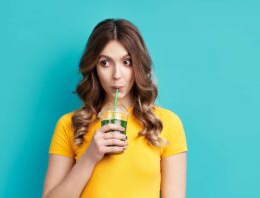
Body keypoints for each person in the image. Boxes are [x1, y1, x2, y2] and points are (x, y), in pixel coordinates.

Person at [42, 18, 188, 198]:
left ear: (138, 65)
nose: (116, 75)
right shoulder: (69, 125)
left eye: (126, 62)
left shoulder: (166, 124)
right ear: (94, 67)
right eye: (105, 63)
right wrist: (90, 156)